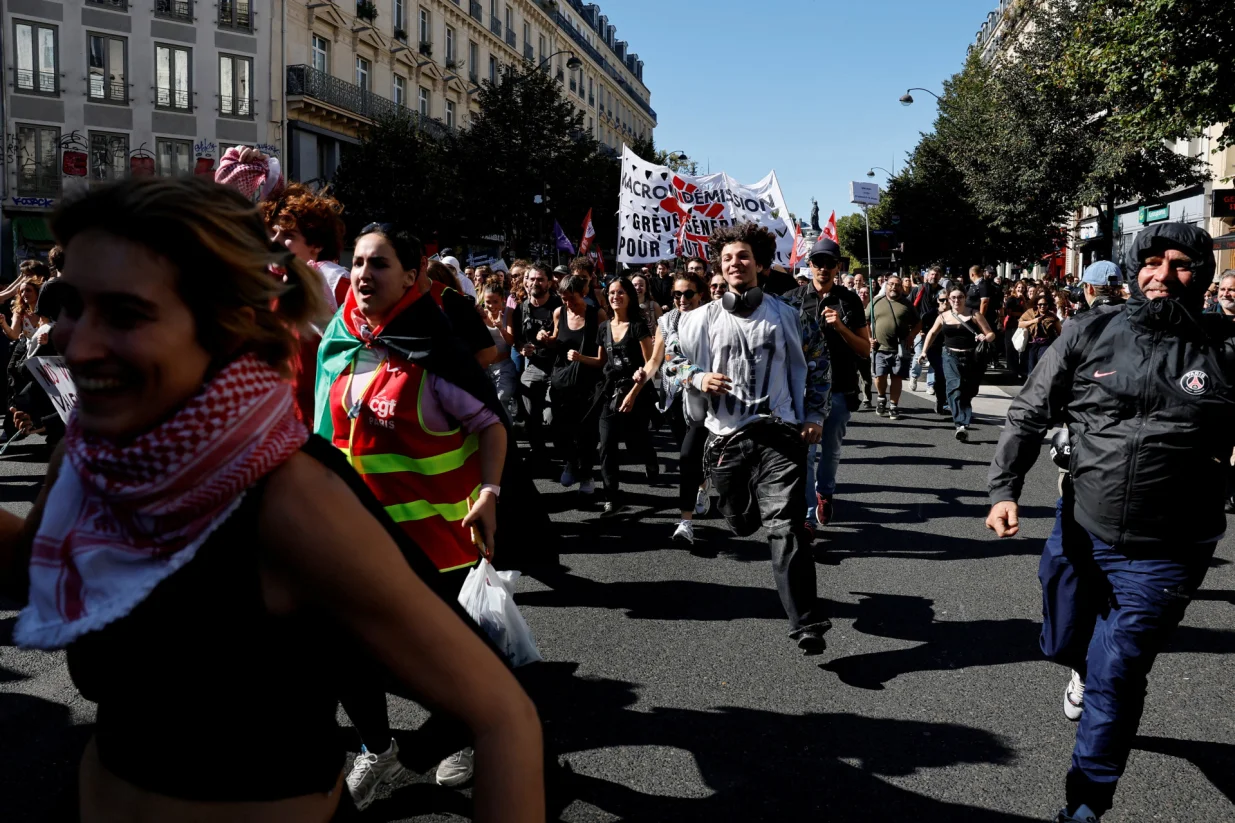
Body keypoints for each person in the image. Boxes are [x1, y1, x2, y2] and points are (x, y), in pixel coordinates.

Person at [2, 176, 543, 823]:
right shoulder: (88, 453)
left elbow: (502, 714)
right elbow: (31, 568)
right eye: (68, 304)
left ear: (225, 325)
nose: (73, 341)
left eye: (124, 312)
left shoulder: (291, 500)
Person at [986, 222, 1235, 823]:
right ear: (1132, 268)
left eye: (1180, 264)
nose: (1163, 275)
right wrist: (1004, 489)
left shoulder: (1226, 350)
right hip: (1081, 530)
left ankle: (1087, 802)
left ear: (1200, 274)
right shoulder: (1088, 331)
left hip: (1169, 550)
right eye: (1151, 262)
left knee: (1119, 671)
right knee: (1064, 642)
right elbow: (1026, 413)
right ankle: (1079, 668)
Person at [314, 222, 519, 803]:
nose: (362, 274)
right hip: (350, 535)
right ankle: (377, 751)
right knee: (346, 650)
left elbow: (490, 424)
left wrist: (489, 494)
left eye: (378, 264)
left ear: (411, 276)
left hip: (430, 541)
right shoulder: (340, 337)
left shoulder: (435, 347)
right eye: (357, 262)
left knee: (434, 661)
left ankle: (464, 731)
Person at [679, 223, 829, 651]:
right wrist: (696, 375)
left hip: (780, 435)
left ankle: (806, 624)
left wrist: (814, 414)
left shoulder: (790, 316)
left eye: (743, 256)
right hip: (725, 438)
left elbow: (818, 364)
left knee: (786, 527)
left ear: (761, 265)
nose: (734, 263)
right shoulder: (699, 319)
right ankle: (739, 512)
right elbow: (667, 361)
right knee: (742, 523)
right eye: (727, 258)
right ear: (720, 270)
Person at [785, 236, 868, 531]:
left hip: (840, 389)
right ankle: (808, 516)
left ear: (837, 267)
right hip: (802, 392)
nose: (823, 268)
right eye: (818, 262)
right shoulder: (791, 300)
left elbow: (864, 348)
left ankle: (825, 493)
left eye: (829, 263)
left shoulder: (849, 300)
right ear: (810, 265)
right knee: (805, 454)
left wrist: (841, 327)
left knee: (830, 449)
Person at [642, 269, 710, 545]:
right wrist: (642, 378)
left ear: (700, 294)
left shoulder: (712, 317)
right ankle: (691, 510)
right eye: (677, 294)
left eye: (688, 293)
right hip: (674, 398)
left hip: (706, 399)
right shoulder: (666, 320)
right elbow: (656, 359)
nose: (682, 299)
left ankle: (694, 504)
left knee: (692, 456)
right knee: (687, 457)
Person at [596, 277, 656, 516]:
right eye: (611, 293)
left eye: (621, 292)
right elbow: (601, 361)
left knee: (636, 441)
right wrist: (577, 359)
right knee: (607, 444)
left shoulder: (638, 326)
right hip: (610, 393)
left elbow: (651, 363)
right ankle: (612, 496)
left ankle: (650, 458)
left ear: (629, 296)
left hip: (637, 393)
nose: (615, 296)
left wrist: (633, 392)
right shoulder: (603, 328)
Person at [548, 272, 606, 500]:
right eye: (563, 298)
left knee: (586, 433)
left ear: (583, 293)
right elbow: (557, 340)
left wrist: (581, 358)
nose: (568, 303)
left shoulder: (597, 315)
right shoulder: (558, 313)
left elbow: (602, 359)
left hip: (589, 382)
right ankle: (570, 463)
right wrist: (547, 339)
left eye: (571, 298)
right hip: (562, 381)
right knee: (559, 428)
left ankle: (586, 476)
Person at [920, 288, 995, 441]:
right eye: (953, 297)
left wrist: (985, 337)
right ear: (948, 299)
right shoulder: (943, 316)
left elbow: (991, 334)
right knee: (954, 388)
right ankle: (961, 424)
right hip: (949, 356)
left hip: (971, 357)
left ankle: (963, 416)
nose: (956, 300)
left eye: (960, 297)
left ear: (965, 298)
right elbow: (932, 333)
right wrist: (923, 351)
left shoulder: (974, 314)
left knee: (969, 390)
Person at [509, 262, 561, 459]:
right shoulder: (520, 310)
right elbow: (517, 341)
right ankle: (538, 451)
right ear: (525, 282)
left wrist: (552, 340)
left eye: (540, 279)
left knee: (552, 416)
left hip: (558, 365)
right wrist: (522, 348)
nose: (535, 283)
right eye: (531, 279)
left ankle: (564, 449)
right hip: (535, 366)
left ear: (549, 282)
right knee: (529, 407)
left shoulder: (559, 306)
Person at [866, 274, 920, 420]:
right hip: (880, 348)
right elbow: (865, 321)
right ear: (886, 285)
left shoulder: (907, 304)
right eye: (891, 284)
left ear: (901, 287)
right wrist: (869, 338)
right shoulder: (876, 301)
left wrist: (911, 336)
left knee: (897, 377)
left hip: (900, 349)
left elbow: (918, 323)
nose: (894, 287)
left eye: (897, 284)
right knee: (880, 376)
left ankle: (894, 405)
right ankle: (882, 398)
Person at [481, 278, 519, 422]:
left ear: (502, 300)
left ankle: (507, 431)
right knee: (489, 403)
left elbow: (511, 341)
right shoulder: (481, 314)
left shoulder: (507, 313)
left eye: (495, 302)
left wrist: (500, 328)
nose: (491, 306)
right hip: (487, 367)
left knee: (502, 397)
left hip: (504, 366)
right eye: (488, 302)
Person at [908, 266, 943, 392]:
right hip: (920, 328)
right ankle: (914, 376)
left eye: (937, 275)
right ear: (927, 276)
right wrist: (915, 327)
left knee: (934, 356)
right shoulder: (919, 289)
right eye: (932, 274)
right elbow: (910, 307)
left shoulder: (942, 292)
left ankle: (931, 384)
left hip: (936, 329)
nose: (934, 277)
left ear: (940, 277)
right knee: (919, 354)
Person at [1018, 294, 1063, 374]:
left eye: (1045, 304)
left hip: (1046, 344)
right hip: (1031, 343)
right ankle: (1031, 384)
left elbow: (1060, 332)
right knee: (1031, 366)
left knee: (1041, 365)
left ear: (1048, 305)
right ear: (1036, 304)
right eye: (1040, 304)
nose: (1042, 306)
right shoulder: (1030, 312)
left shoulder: (1052, 316)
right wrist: (1033, 321)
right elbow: (1020, 324)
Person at [1003, 279, 1029, 380]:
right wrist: (1021, 314)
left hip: (1021, 325)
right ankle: (1012, 370)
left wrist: (1024, 300)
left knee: (1021, 346)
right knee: (1010, 347)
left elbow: (1027, 311)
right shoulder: (1011, 299)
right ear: (1015, 288)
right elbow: (1009, 313)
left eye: (1022, 288)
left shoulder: (1024, 299)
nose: (1020, 289)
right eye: (1019, 287)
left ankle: (1020, 369)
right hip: (1012, 325)